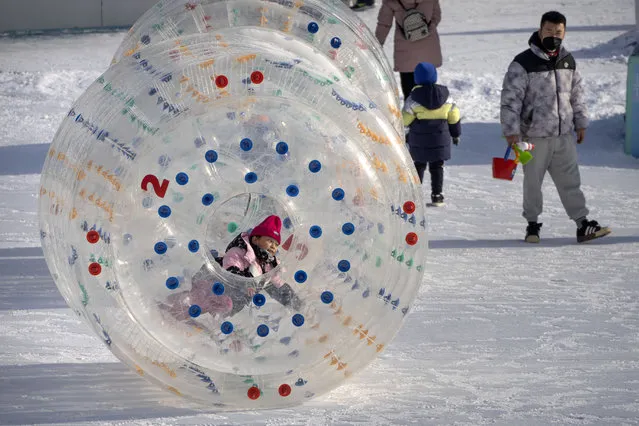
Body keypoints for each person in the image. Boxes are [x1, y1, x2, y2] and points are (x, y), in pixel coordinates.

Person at [500, 11, 610, 243]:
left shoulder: (568, 60)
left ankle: (583, 224)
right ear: (540, 30)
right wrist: (511, 131)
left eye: (558, 32)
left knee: (570, 181)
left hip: (563, 135)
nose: (553, 36)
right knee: (533, 182)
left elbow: (577, 95)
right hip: (533, 137)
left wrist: (580, 123)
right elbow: (510, 100)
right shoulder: (523, 62)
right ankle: (532, 225)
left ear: (564, 33)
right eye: (549, 31)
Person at [161, 215, 302, 321]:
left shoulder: (268, 265)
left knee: (221, 309)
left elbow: (276, 285)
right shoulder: (241, 250)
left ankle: (198, 320)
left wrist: (294, 302)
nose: (273, 246)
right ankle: (172, 307)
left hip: (231, 298)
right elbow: (231, 265)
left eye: (276, 244)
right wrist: (246, 284)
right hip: (215, 283)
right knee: (198, 299)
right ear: (255, 239)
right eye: (270, 241)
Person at [403, 62, 461, 206]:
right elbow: (454, 116)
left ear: (416, 78)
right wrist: (456, 134)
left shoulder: (413, 99)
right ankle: (437, 195)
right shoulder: (446, 97)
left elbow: (404, 120)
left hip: (419, 141)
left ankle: (414, 196)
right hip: (440, 139)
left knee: (419, 166)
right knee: (437, 167)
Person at [375, 0, 442, 101]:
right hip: (428, 47)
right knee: (428, 88)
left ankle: (410, 113)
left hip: (405, 49)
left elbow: (384, 24)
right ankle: (431, 112)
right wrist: (425, 30)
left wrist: (378, 43)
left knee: (409, 91)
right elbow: (436, 16)